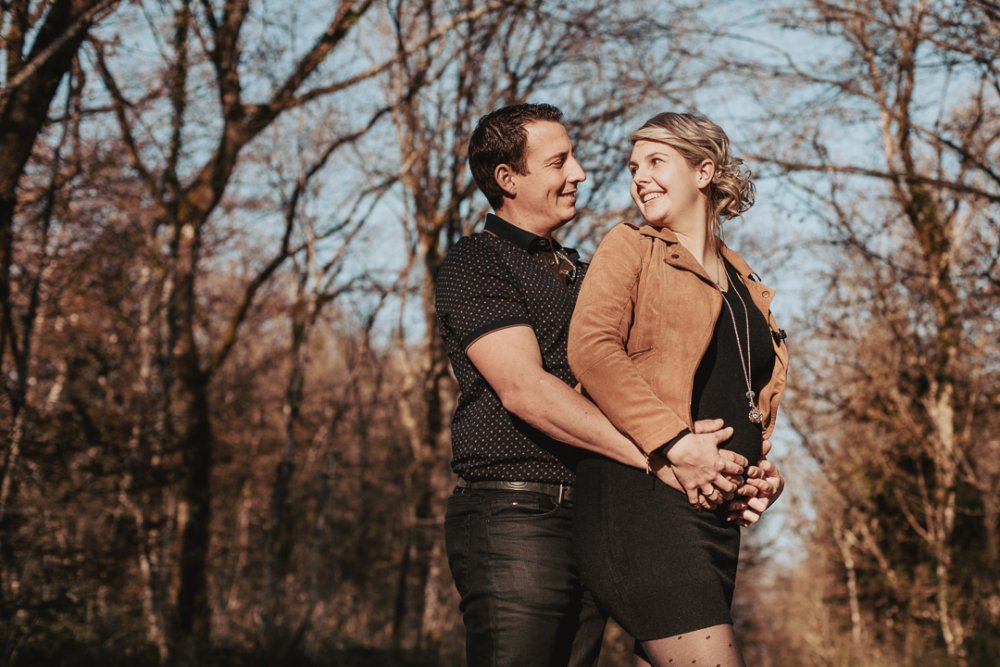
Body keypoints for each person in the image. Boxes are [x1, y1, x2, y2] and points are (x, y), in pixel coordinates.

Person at [435, 103, 762, 666]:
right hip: (516, 515)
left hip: (592, 507)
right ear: (508, 180)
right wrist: (665, 454)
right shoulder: (476, 262)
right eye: (559, 161)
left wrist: (724, 456)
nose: (580, 172)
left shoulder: (583, 270)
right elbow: (525, 390)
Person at [567, 111, 789, 667]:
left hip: (717, 518)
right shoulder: (630, 247)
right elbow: (592, 349)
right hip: (643, 498)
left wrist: (760, 471)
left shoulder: (746, 281)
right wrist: (674, 441)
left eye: (656, 161)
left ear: (704, 170)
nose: (639, 176)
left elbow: (743, 394)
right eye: (633, 166)